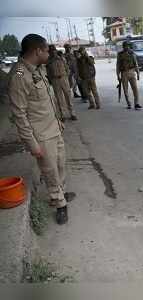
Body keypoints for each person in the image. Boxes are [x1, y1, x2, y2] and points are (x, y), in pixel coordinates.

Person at [8, 34, 73, 225]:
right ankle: (60, 203)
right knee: (49, 170)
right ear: (37, 51)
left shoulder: (38, 69)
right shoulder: (19, 74)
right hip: (41, 135)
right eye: (46, 50)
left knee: (60, 164)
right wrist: (32, 144)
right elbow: (19, 114)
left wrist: (59, 121)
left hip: (54, 127)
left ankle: (59, 193)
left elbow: (48, 100)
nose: (48, 53)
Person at [46, 45, 77, 121]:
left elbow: (67, 68)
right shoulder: (48, 61)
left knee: (68, 96)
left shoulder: (62, 58)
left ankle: (72, 113)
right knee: (59, 98)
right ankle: (62, 115)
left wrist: (66, 76)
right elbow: (48, 72)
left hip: (64, 78)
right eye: (51, 51)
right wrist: (51, 80)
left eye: (54, 50)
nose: (53, 52)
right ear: (49, 52)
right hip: (55, 80)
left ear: (56, 51)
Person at [116, 41, 141, 110]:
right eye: (125, 46)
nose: (126, 47)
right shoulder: (120, 54)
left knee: (135, 89)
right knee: (125, 89)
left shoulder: (132, 53)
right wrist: (118, 75)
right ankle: (129, 103)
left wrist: (138, 73)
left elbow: (135, 63)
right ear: (123, 46)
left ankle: (136, 103)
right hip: (124, 73)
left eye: (127, 46)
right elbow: (118, 65)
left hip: (131, 71)